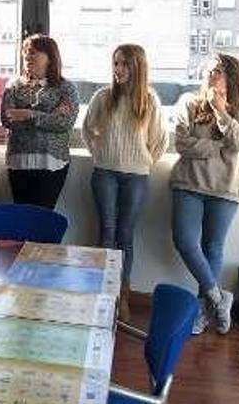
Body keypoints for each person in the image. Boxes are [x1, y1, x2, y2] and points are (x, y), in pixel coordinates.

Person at [170, 53, 239, 335]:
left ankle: (203, 310)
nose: (211, 75)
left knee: (213, 248)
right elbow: (181, 143)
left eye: (217, 71)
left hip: (226, 188)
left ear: (231, 76)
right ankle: (218, 297)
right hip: (188, 183)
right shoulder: (189, 103)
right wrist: (217, 148)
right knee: (184, 240)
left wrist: (222, 113)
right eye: (208, 71)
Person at [82, 44, 168, 321]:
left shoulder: (149, 100)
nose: (118, 69)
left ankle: (123, 296)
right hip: (104, 172)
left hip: (136, 176)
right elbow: (87, 129)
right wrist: (99, 154)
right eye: (115, 64)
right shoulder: (103, 97)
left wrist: (144, 163)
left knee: (125, 234)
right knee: (106, 231)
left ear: (137, 67)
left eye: (124, 64)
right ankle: (103, 293)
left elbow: (160, 141)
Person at [1, 34, 79, 209]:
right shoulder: (13, 86)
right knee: (21, 219)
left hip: (51, 163)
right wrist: (48, 116)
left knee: (43, 219)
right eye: (25, 53)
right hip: (19, 161)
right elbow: (7, 119)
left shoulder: (66, 87)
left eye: (33, 53)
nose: (27, 57)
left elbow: (64, 123)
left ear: (50, 57)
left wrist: (30, 115)